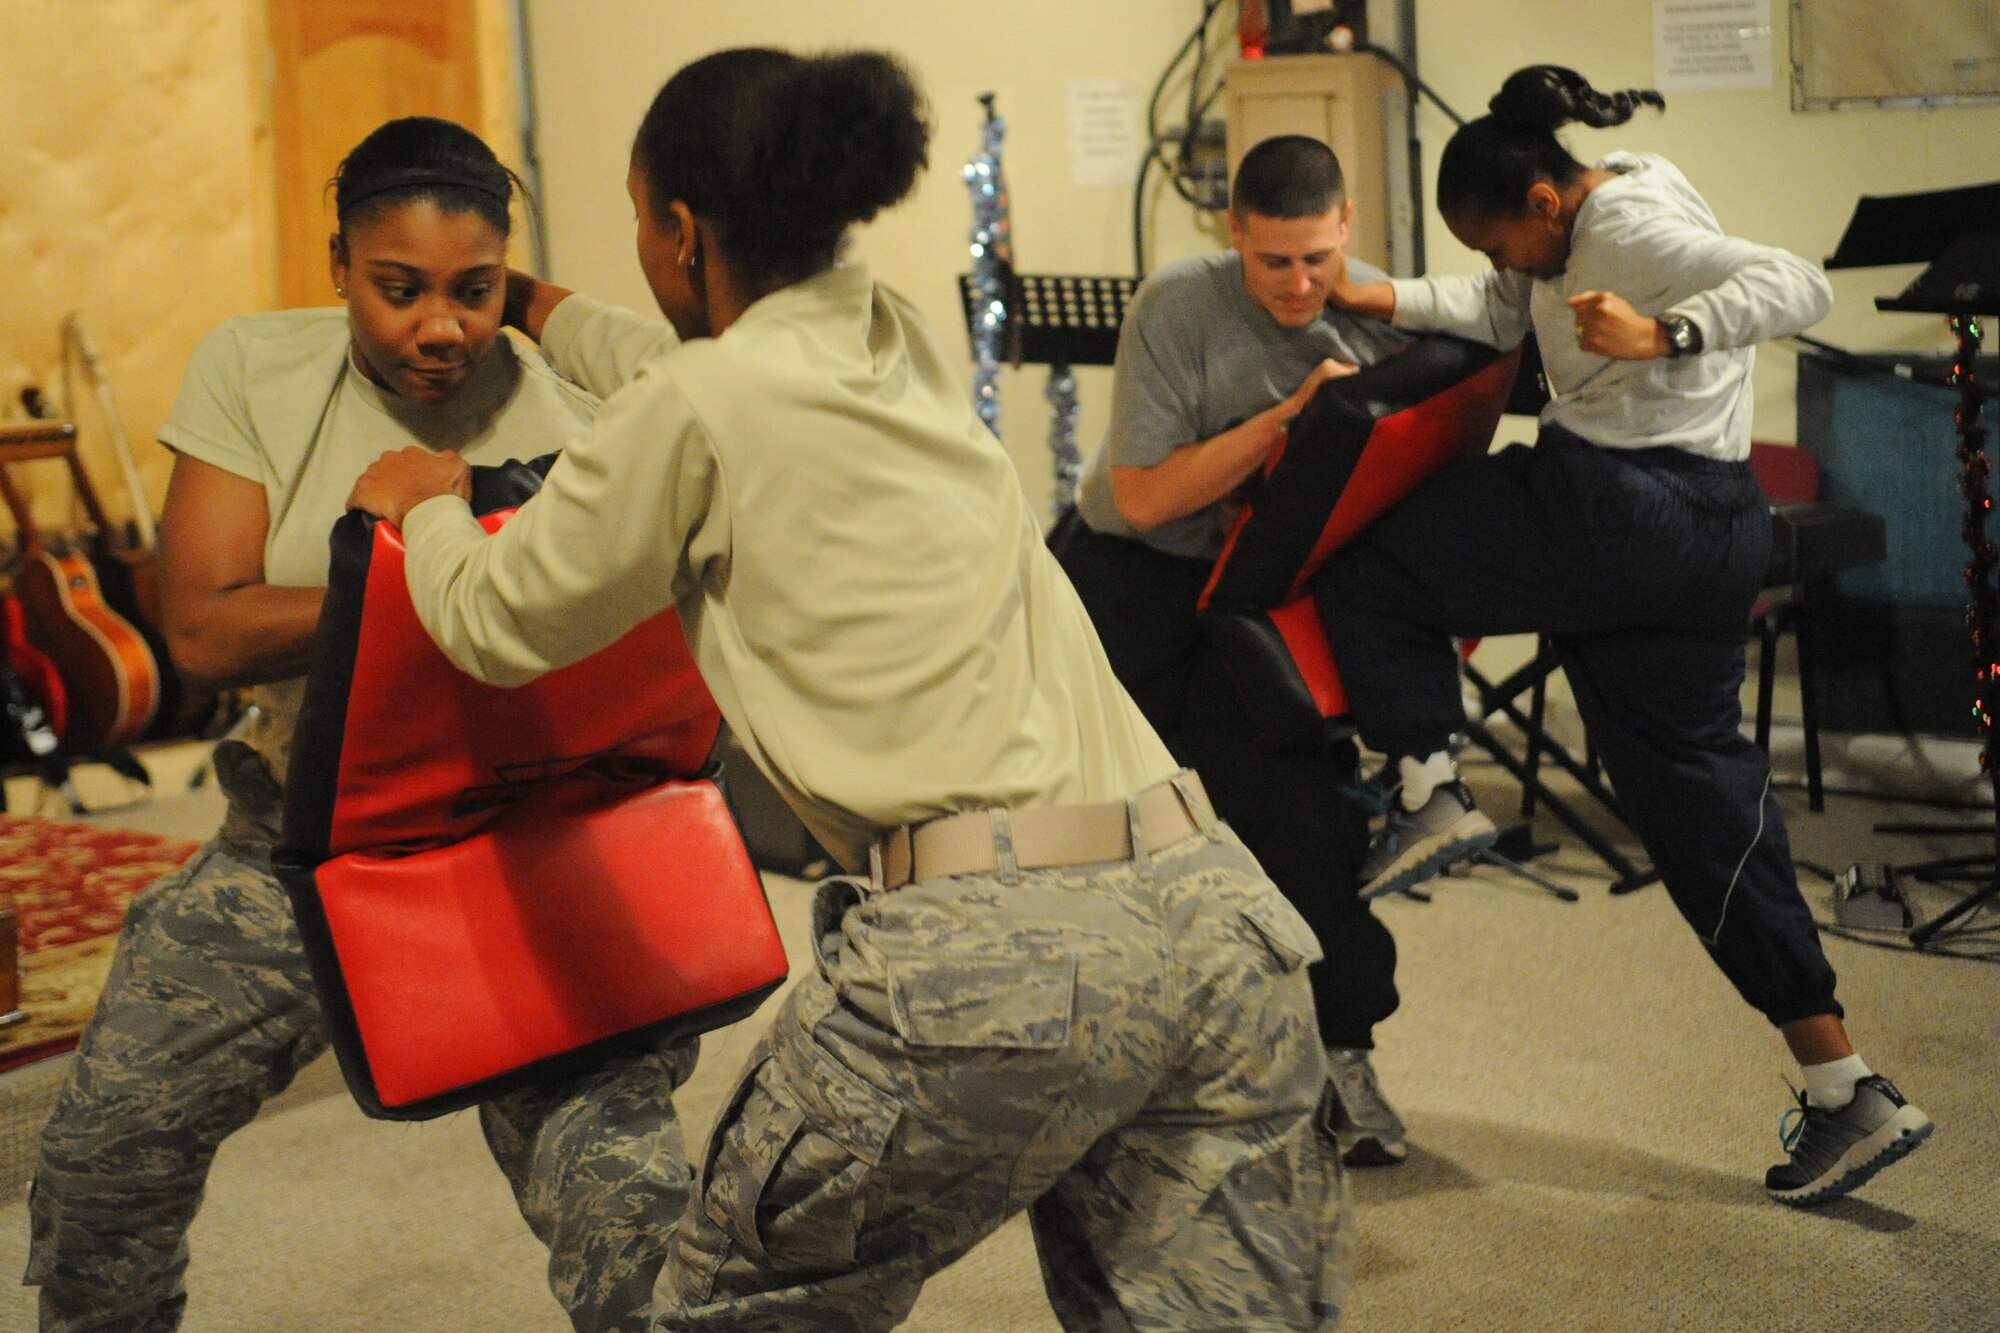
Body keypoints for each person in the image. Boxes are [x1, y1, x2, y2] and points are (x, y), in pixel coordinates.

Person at [350, 47, 1346, 1332]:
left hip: (995, 959)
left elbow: (496, 621)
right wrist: (533, 304)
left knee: (711, 1308)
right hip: (1219, 922)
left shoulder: (698, 406)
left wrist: (423, 507)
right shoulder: (900, 342)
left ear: (680, 229)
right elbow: (680, 362)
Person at [25, 117, 697, 1333]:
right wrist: (427, 558)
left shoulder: (588, 396)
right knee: (98, 1164)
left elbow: (702, 401)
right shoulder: (253, 365)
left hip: (531, 835)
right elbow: (205, 630)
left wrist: (535, 311)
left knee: (630, 1217)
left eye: (474, 289)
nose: (440, 327)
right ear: (338, 265)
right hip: (299, 834)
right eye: (399, 289)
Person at [1318, 64, 1933, 1205]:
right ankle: (1846, 1085)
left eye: (1498, 240)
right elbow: (1505, 309)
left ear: (1546, 205)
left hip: (1615, 511)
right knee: (1699, 808)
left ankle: (1425, 785)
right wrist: (1383, 299)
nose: (1498, 263)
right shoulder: (1597, 208)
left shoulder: (1630, 222)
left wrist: (1666, 332)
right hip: (1712, 531)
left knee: (1373, 566)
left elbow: (1794, 284)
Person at [1048, 134, 1416, 1166]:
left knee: (1299, 810)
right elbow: (1145, 494)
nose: (1299, 285)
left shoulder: (1383, 307)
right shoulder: (1176, 304)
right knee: (1101, 822)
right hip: (1131, 571)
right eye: (1273, 262)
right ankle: (1103, 1071)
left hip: (1265, 587)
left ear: (1345, 226)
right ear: (1232, 237)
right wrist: (1288, 419)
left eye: (1316, 258)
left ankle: (1342, 1049)